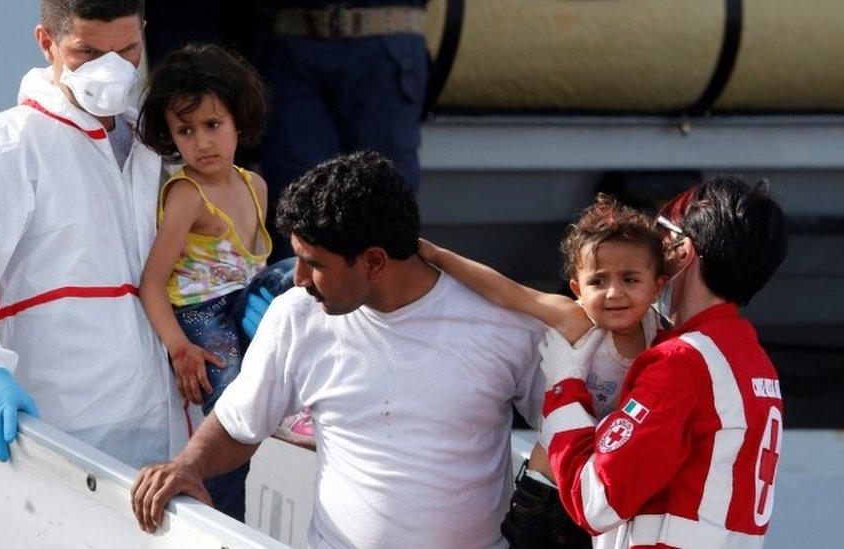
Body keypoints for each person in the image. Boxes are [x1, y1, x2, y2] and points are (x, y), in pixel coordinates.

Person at [131, 151, 546, 548]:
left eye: (314, 263)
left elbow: (567, 430)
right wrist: (187, 466)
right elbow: (239, 423)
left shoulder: (502, 321)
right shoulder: (296, 315)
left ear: (374, 262)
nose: (297, 279)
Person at [0, 0, 188, 469]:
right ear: (46, 42)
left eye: (127, 51)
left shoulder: (160, 146)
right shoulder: (4, 147)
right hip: (61, 443)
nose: (111, 71)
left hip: (169, 441)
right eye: (87, 53)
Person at [539, 177, 788, 548]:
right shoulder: (754, 361)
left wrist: (563, 386)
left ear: (684, 252)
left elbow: (596, 501)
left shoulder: (683, 362)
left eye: (662, 240)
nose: (656, 254)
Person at [418, 194, 668, 548]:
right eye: (598, 281)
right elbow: (508, 293)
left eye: (630, 279)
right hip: (548, 495)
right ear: (577, 288)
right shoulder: (576, 319)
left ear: (657, 286)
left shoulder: (659, 331)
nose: (614, 292)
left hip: (602, 494)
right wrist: (438, 256)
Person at [135, 43, 295, 521]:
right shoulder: (187, 195)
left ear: (238, 122)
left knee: (303, 273)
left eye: (213, 125)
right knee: (231, 418)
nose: (202, 142)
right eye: (186, 130)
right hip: (202, 318)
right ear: (171, 136)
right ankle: (222, 517)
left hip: (245, 305)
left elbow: (259, 274)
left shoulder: (256, 185)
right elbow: (152, 284)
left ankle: (304, 400)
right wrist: (179, 347)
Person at [260, 1, 430, 262]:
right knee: (296, 204)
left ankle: (390, 302)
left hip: (382, 35)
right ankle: (301, 300)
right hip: (293, 40)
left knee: (385, 202)